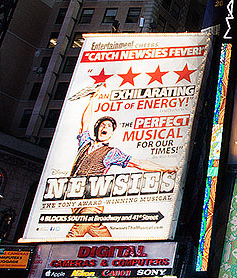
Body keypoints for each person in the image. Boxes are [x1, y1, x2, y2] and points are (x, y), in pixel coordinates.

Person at [66, 85, 171, 238]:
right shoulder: (85, 143)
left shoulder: (112, 153)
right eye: (102, 125)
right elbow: (84, 123)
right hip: (74, 200)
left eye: (108, 126)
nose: (105, 127)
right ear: (97, 129)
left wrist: (167, 168)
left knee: (75, 232)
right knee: (101, 234)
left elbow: (138, 163)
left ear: (112, 132)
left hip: (93, 200)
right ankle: (116, 255)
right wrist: (92, 100)